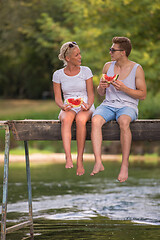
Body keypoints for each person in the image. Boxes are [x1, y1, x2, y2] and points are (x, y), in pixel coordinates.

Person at [91, 37, 147, 182]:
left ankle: (124, 165)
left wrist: (124, 88)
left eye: (113, 50)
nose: (110, 52)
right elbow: (101, 93)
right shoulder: (107, 66)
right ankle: (98, 161)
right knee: (95, 120)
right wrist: (101, 87)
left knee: (123, 122)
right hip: (108, 104)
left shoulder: (137, 68)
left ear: (123, 52)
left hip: (128, 106)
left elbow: (143, 95)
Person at [52, 41, 95, 176]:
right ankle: (68, 156)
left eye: (80, 53)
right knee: (66, 120)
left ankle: (80, 159)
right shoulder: (58, 74)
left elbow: (91, 94)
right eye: (77, 55)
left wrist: (88, 105)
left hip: (85, 105)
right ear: (68, 58)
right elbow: (58, 98)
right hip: (68, 106)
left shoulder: (86, 71)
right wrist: (63, 106)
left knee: (81, 120)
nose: (80, 57)